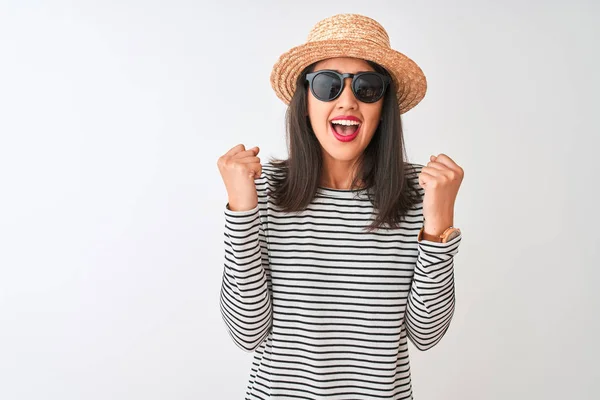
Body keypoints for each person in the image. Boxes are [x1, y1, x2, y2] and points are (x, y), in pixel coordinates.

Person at [216, 13, 464, 400]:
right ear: (304, 104)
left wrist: (439, 226)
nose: (347, 100)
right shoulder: (262, 191)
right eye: (328, 85)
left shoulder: (421, 192)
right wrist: (242, 211)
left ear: (384, 109)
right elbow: (247, 333)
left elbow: (426, 335)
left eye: (367, 87)